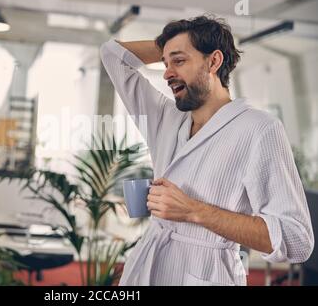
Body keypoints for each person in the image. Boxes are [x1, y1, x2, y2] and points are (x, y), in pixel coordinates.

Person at [100, 15, 314, 286]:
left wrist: (193, 210)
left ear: (213, 61)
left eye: (179, 61)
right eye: (165, 63)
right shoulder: (167, 118)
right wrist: (170, 47)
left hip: (205, 272)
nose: (166, 73)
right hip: (148, 264)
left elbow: (297, 240)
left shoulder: (259, 128)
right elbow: (112, 55)